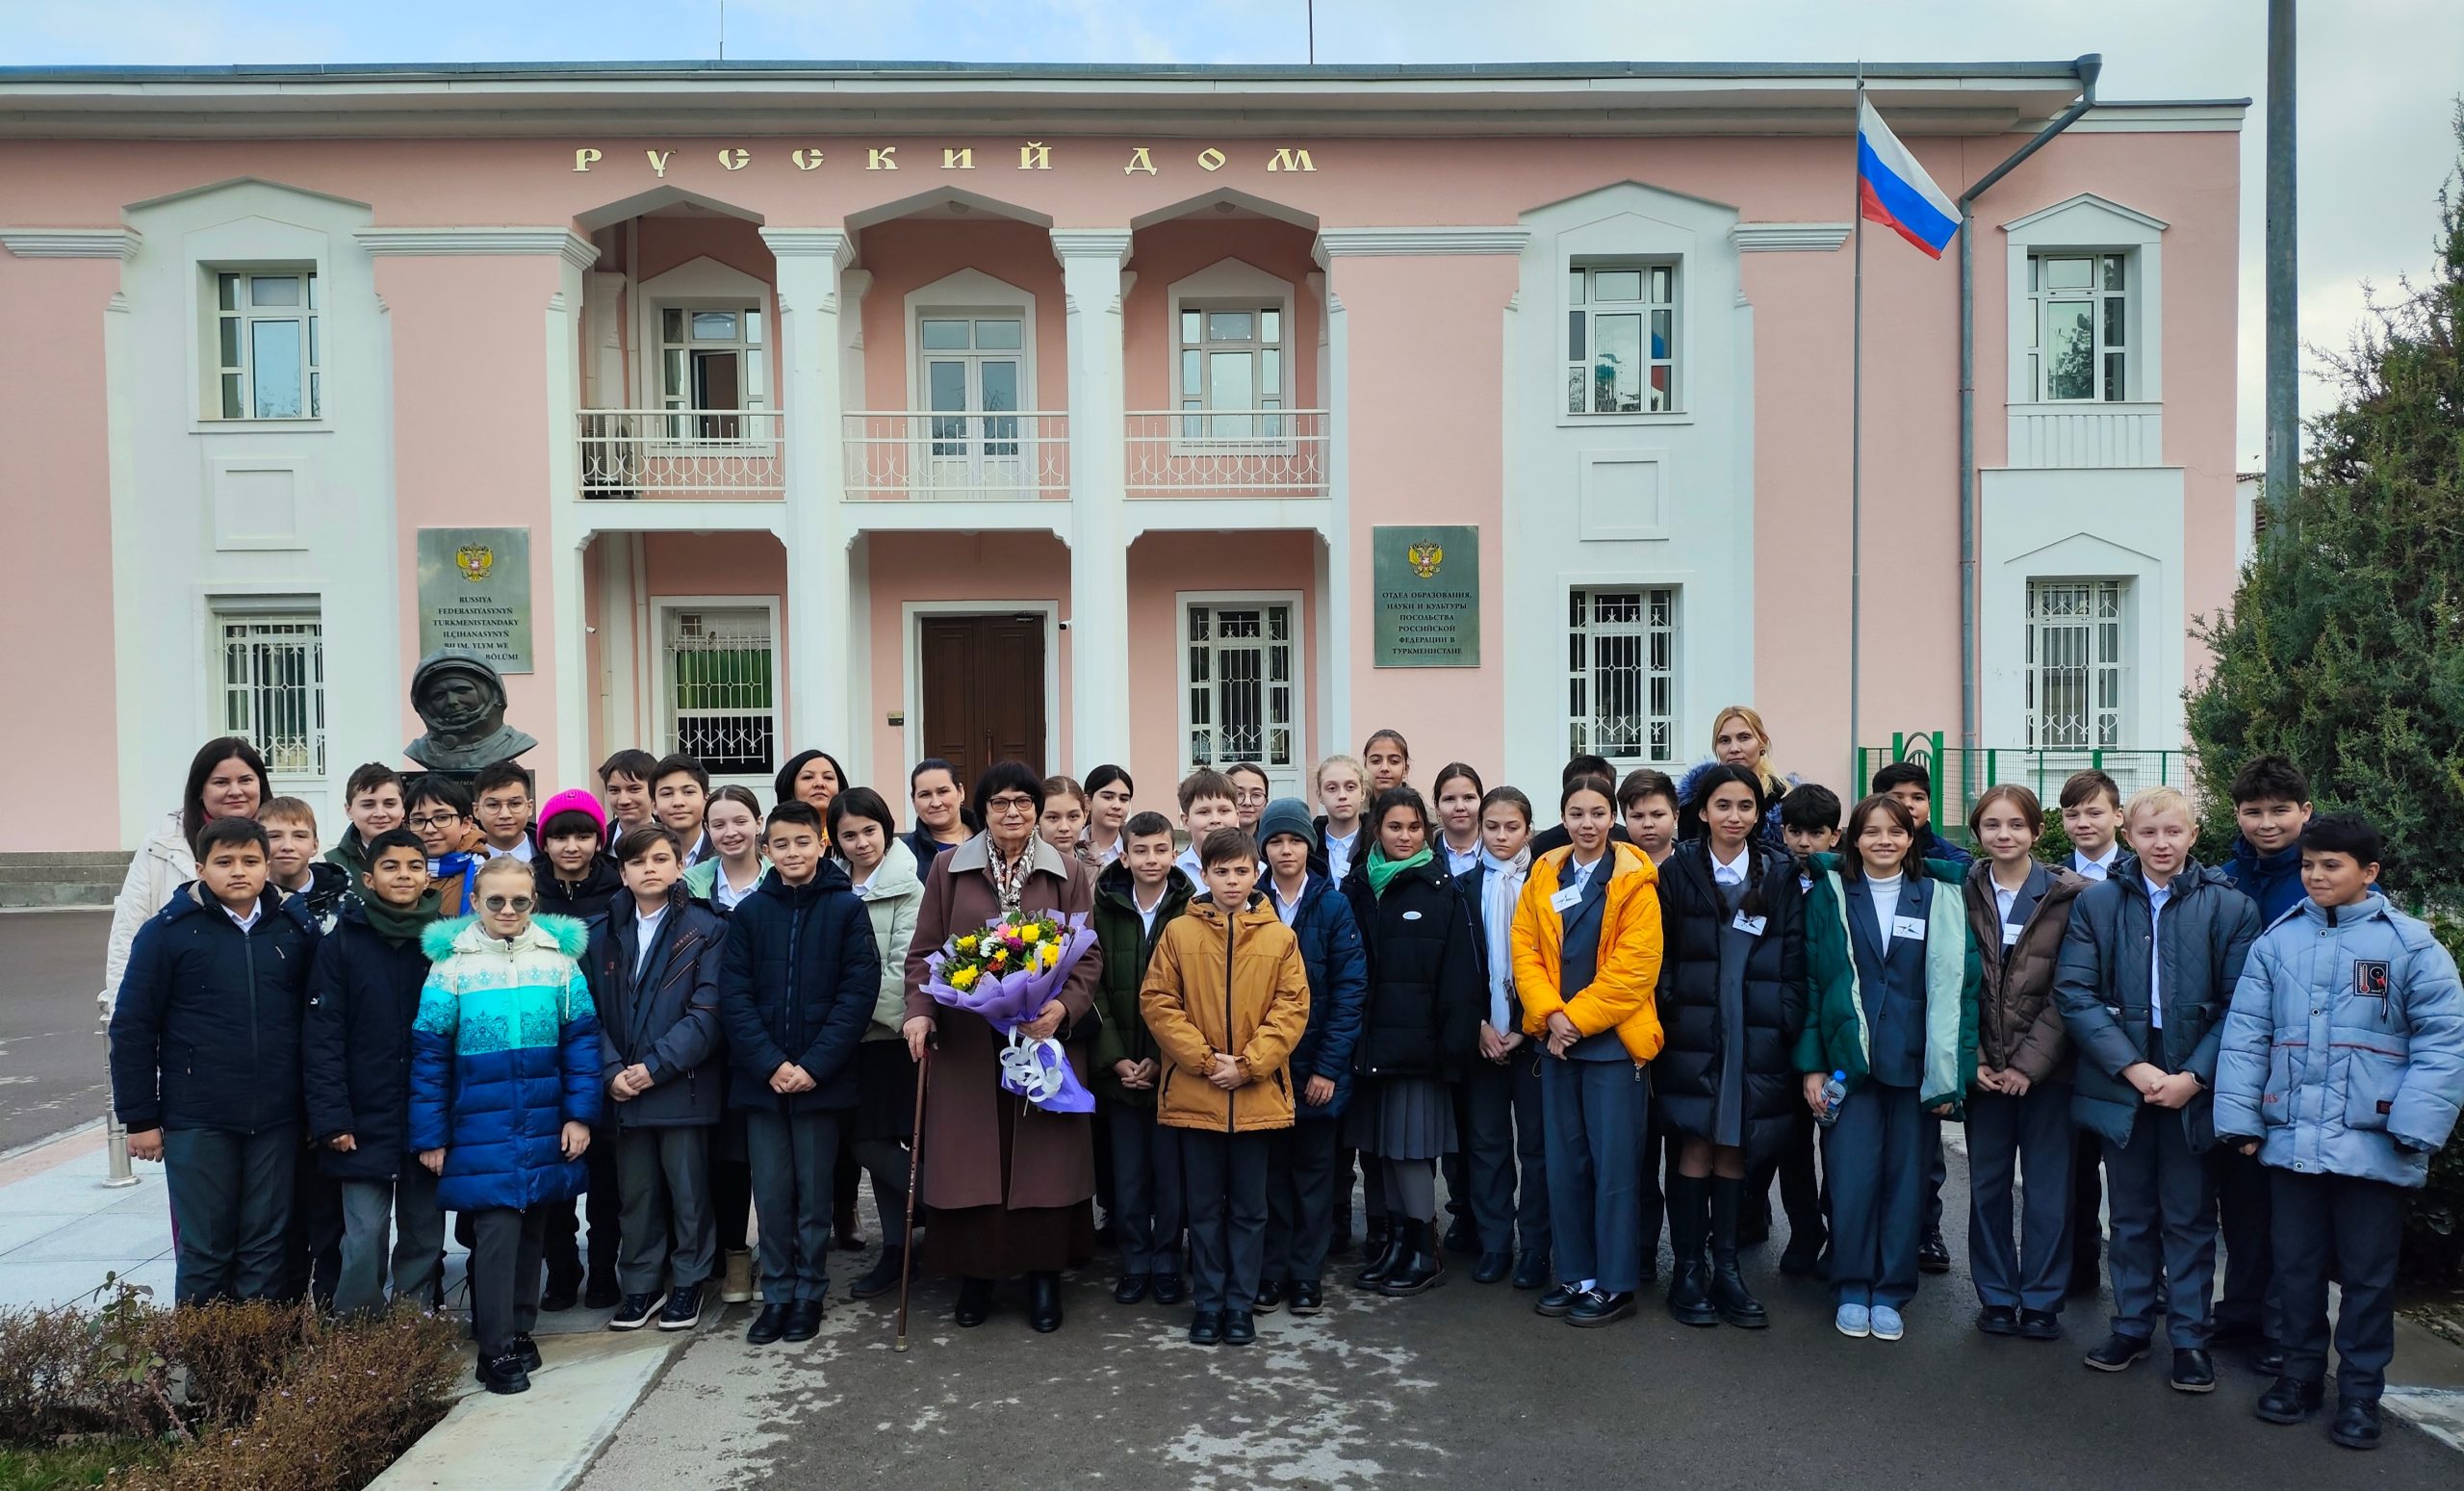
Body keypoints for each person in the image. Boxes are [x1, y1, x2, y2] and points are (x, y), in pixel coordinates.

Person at [2216, 813, 2464, 1452]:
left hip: (2377, 1142)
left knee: (2367, 1278)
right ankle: (2299, 1377)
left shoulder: (2412, 946)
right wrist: (2243, 1119)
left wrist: (2414, 1127)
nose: (2316, 875)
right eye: (2309, 865)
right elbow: (2246, 1034)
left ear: (2369, 872)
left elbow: (2444, 1043)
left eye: (2332, 865)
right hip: (2292, 1141)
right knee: (2294, 1269)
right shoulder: (2277, 942)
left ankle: (2360, 1395)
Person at [2054, 784, 2259, 1394]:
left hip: (2192, 1082)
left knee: (2191, 1217)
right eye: (2149, 832)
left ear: (2194, 835)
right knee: (2133, 1214)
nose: (2160, 843)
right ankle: (2133, 1324)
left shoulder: (2230, 908)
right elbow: (2075, 993)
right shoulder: (2099, 904)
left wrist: (2194, 1075)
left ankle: (2191, 1339)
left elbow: (2241, 1006)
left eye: (2173, 832)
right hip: (2126, 1080)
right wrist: (2131, 1068)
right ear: (2129, 835)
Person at [900, 763, 1104, 1333]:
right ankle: (976, 1279)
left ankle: (1044, 1279)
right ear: (981, 808)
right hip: (968, 1041)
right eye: (999, 803)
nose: (1011, 813)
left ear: (1037, 809)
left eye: (1022, 802)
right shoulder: (948, 867)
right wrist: (920, 1014)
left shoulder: (1066, 868)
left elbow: (1086, 955)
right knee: (974, 1158)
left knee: (1040, 1154)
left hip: (1040, 1033)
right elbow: (925, 952)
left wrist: (1061, 1008)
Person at [410, 857, 603, 1396]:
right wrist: (430, 1135)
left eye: (520, 900)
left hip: (543, 1117)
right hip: (478, 1122)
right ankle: (492, 1347)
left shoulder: (559, 959)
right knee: (495, 1234)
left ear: (533, 901)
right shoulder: (451, 965)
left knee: (532, 1230)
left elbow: (583, 1043)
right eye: (496, 901)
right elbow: (429, 1055)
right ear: (475, 902)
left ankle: (520, 1329)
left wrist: (579, 1114)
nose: (508, 910)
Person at [110, 815, 318, 1303]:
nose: (238, 871)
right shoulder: (167, 933)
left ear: (268, 866)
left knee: (264, 1245)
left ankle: (253, 1367)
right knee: (206, 1247)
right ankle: (209, 1369)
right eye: (224, 862)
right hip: (198, 1117)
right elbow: (133, 1027)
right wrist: (139, 1117)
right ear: (201, 868)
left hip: (277, 1117)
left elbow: (318, 1022)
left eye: (250, 860)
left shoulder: (295, 928)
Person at [1796, 793, 1980, 1344]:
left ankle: (1891, 1289)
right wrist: (1811, 1066)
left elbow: (1961, 988)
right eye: (1871, 831)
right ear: (1852, 839)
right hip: (1847, 1064)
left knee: (1906, 1185)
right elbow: (1812, 983)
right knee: (1850, 1180)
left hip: (1914, 1063)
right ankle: (1852, 1284)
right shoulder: (1830, 896)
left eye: (1895, 832)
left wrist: (1954, 1071)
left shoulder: (1940, 895)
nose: (1883, 841)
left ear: (1911, 838)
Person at [1141, 827, 1312, 1348]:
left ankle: (1240, 1304)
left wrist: (1251, 1064)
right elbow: (1158, 1002)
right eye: (1222, 871)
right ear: (1204, 874)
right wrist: (1206, 1060)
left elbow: (1293, 1006)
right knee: (1204, 1207)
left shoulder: (1280, 937)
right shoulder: (1178, 933)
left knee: (1250, 1207)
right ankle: (1208, 1304)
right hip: (1198, 1095)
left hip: (1256, 1097)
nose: (1232, 880)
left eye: (1241, 870)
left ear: (1255, 872)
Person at [1653, 764, 1807, 1330]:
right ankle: (1688, 1270)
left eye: (1745, 806)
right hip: (1692, 1033)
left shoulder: (1779, 872)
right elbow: (1660, 955)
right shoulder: (1677, 871)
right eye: (1723, 805)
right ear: (1702, 812)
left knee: (1736, 1143)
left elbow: (1794, 957)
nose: (1734, 817)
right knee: (1694, 1143)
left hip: (1755, 1031)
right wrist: (1670, 1014)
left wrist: (1785, 1019)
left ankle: (1727, 1268)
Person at [718, 801, 878, 1343]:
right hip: (762, 1083)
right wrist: (771, 1064)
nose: (792, 853)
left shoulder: (846, 910)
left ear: (822, 844)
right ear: (767, 851)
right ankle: (778, 1292)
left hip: (820, 1081)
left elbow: (858, 994)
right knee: (771, 1191)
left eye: (802, 842)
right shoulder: (750, 915)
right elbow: (733, 997)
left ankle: (809, 1291)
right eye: (781, 844)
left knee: (813, 1194)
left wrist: (812, 1065)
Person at [1512, 774, 1665, 1327]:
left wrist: (1569, 1020)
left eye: (1598, 813)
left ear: (1612, 818)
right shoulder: (1545, 872)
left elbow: (1634, 970)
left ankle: (1615, 1282)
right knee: (1565, 1165)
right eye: (1576, 814)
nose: (1587, 824)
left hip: (1613, 1048)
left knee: (1615, 1168)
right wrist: (1550, 1016)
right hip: (1557, 1045)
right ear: (1564, 818)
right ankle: (1574, 1273)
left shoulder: (1634, 881)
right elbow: (1524, 947)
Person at [1343, 784, 1482, 1300]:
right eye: (1394, 827)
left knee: (1411, 1153)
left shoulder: (1443, 889)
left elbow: (1462, 978)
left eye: (1414, 827)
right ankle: (1400, 1244)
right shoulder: (1357, 887)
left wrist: (1451, 1051)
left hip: (1421, 1051)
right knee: (1382, 1151)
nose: (1405, 837)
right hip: (1371, 1046)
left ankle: (1426, 1250)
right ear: (1376, 830)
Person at [585, 825, 726, 1334]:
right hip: (622, 1088)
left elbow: (707, 1012)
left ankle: (688, 1280)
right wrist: (610, 1071)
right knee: (635, 1194)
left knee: (688, 1190)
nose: (650, 868)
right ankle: (640, 1284)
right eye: (638, 861)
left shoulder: (707, 928)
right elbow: (587, 1015)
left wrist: (653, 1068)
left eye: (661, 858)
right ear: (622, 873)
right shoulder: (602, 935)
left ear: (679, 866)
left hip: (680, 1084)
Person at [1962, 784, 2088, 1343]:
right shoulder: (1961, 889)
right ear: (1978, 833)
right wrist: (1981, 1058)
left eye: (2016, 824)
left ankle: (2040, 1298)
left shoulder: (2071, 896)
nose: (2004, 835)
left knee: (2048, 1189)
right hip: (1986, 1072)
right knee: (1987, 1186)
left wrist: (2028, 1066)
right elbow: (1955, 980)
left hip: (2049, 1074)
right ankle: (1995, 1296)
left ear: (2038, 832)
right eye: (1991, 825)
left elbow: (2072, 992)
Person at [303, 827, 444, 1319]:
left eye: (413, 867)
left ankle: (413, 1326)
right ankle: (357, 1332)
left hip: (427, 1117)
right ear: (368, 877)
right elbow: (323, 1037)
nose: (403, 876)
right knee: (363, 1233)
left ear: (428, 875)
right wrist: (332, 1118)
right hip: (361, 1119)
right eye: (390, 867)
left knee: (424, 1231)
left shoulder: (445, 943)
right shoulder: (343, 942)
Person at [2210, 754, 2316, 1369]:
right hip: (2237, 1057)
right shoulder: (2225, 877)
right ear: (2237, 814)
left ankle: (2283, 1329)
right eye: (2254, 811)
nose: (2267, 823)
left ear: (2304, 811)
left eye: (2280, 811)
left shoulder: (2322, 878)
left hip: (2302, 1062)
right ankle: (2242, 1312)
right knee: (2242, 1196)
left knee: (2292, 1207)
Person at [1255, 797, 1369, 1315]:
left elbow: (1350, 990)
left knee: (1315, 1178)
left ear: (1310, 845)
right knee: (1270, 1178)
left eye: (1295, 840)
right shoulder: (1250, 901)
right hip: (1264, 1069)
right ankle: (1272, 1271)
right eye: (1276, 841)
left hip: (1317, 1067)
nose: (1286, 850)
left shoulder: (1332, 903)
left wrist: (1328, 1067)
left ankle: (1307, 1274)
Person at [1090, 810, 1196, 1308]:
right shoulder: (1103, 906)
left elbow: (1193, 995)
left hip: (1173, 1069)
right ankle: (1134, 1262)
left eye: (1160, 850)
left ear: (1173, 854)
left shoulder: (1191, 907)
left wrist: (1159, 1056)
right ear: (1124, 855)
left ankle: (1167, 1260)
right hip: (1119, 1072)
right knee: (1128, 1175)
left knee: (1170, 1175)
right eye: (1140, 850)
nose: (1150, 860)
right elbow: (1091, 987)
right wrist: (1115, 1060)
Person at [1869, 759, 1971, 1276]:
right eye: (1897, 797)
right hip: (1874, 1031)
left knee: (1923, 1145)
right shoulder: (1862, 857)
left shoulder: (1952, 865)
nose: (1908, 807)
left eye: (1916, 798)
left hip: (1925, 1029)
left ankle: (1926, 1227)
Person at [828, 788, 926, 1301]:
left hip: (889, 1036)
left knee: (882, 1140)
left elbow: (902, 967)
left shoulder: (908, 885)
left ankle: (936, 1208)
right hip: (845, 1042)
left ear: (887, 828)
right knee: (867, 1143)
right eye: (849, 834)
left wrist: (843, 1018)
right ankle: (899, 1245)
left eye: (870, 830)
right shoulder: (830, 883)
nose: (861, 842)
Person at [1454, 785, 1549, 1289]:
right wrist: (1481, 1026)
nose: (1502, 836)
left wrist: (1526, 1024)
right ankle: (1495, 1242)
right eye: (1493, 827)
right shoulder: (1464, 886)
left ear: (1528, 829)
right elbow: (1456, 968)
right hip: (1484, 1038)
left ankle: (1535, 1246)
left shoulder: (1549, 879)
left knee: (1536, 1148)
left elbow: (1556, 963)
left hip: (1534, 1039)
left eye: (1512, 827)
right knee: (1487, 1145)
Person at [101, 736, 268, 1018]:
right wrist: (125, 1013)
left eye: (246, 780)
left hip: (267, 1016)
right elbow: (128, 933)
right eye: (221, 782)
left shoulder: (287, 843)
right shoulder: (161, 848)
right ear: (199, 790)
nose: (235, 791)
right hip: (185, 1016)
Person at [1752, 782, 1844, 1274]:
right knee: (1789, 1142)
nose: (1804, 842)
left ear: (1835, 834)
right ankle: (1804, 1230)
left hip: (1835, 1034)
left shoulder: (1846, 881)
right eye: (1795, 831)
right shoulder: (1774, 877)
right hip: (1783, 1031)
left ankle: (1837, 1232)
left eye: (1816, 833)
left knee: (1838, 1144)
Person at [2057, 768, 2129, 1298]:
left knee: (2131, 1174)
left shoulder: (2142, 870)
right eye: (2072, 813)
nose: (2083, 822)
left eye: (2094, 811)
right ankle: (2079, 1269)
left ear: (2118, 817)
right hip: (2066, 1041)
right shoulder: (2050, 878)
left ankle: (2145, 1279)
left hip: (2133, 1042)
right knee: (2073, 1168)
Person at [1676, 706, 1799, 845]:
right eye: (1724, 740)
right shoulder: (1694, 799)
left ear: (1762, 742)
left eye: (1744, 738)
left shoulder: (1787, 799)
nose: (1734, 749)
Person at [533, 788, 622, 923]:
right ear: (545, 843)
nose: (571, 848)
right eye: (560, 838)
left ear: (598, 842)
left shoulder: (620, 888)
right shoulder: (527, 888)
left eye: (583, 837)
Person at [261, 795, 351, 927]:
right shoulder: (246, 904)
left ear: (314, 846)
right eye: (274, 836)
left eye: (299, 836)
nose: (288, 846)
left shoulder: (347, 905)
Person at [407, 776, 488, 919]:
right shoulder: (399, 874)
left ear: (465, 824)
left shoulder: (485, 871)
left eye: (442, 818)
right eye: (419, 821)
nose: (430, 829)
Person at [682, 785, 769, 913]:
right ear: (707, 828)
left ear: (758, 824)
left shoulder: (781, 880)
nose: (730, 832)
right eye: (719, 825)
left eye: (740, 822)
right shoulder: (690, 883)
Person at [1527, 756, 1627, 857]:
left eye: (1599, 787)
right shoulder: (1542, 849)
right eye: (1577, 814)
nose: (1587, 824)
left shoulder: (1629, 845)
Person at [327, 762, 407, 885]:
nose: (380, 813)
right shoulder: (331, 865)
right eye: (368, 805)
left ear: (403, 809)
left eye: (389, 804)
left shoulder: (423, 857)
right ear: (349, 811)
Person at [1311, 754, 1370, 887]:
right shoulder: (1309, 847)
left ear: (1363, 793)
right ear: (1320, 795)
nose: (1342, 796)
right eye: (1332, 788)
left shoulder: (1376, 844)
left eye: (1350, 787)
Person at [1175, 768, 1243, 884]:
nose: (1215, 820)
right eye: (1204, 812)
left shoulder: (1258, 870)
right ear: (1186, 821)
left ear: (1237, 817)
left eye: (1224, 811)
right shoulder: (1174, 873)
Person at [906, 758, 975, 862]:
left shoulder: (993, 840)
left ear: (960, 792)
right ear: (913, 800)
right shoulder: (904, 853)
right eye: (925, 795)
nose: (936, 803)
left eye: (943, 792)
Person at [649, 755, 712, 867]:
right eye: (667, 794)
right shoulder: (643, 856)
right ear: (654, 805)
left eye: (688, 792)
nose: (678, 802)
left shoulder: (723, 854)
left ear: (706, 800)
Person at [472, 761, 538, 861]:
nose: (505, 815)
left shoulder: (552, 857)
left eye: (515, 804)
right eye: (493, 805)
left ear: (529, 807)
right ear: (476, 810)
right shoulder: (459, 862)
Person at [1617, 768, 1680, 867]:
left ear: (1675, 817)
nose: (1648, 824)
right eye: (1638, 816)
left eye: (1658, 815)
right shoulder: (1612, 866)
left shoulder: (1695, 864)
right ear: (1626, 820)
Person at [1431, 763, 1485, 878]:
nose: (1460, 807)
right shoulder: (1423, 857)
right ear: (1437, 807)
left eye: (1468, 798)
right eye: (1449, 799)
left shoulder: (1500, 853)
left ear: (1481, 802)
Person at [1080, 764, 1135, 869]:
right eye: (1108, 797)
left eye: (1123, 799)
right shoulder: (1070, 845)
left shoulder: (1135, 851)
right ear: (1087, 801)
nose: (1117, 806)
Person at [599, 749, 658, 835]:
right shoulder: (597, 844)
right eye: (614, 790)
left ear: (654, 790)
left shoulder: (676, 840)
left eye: (634, 789)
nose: (623, 801)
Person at [776, 749, 846, 817]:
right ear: (790, 788)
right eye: (808, 777)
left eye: (828, 777)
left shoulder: (853, 827)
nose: (820, 784)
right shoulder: (775, 828)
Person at [1040, 774, 1091, 858]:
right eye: (1053, 818)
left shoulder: (1096, 868)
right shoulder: (1021, 868)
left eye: (1073, 817)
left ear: (1085, 815)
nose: (1064, 828)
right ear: (1037, 818)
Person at [1225, 762, 1272, 835]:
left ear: (1266, 801)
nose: (1247, 802)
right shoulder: (1209, 843)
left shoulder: (1272, 844)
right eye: (1239, 794)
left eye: (1256, 795)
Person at [1362, 730, 1411, 798]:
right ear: (1365, 767)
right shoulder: (1350, 807)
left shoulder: (1420, 808)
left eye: (1394, 761)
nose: (1384, 768)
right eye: (1376, 761)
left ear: (1406, 769)